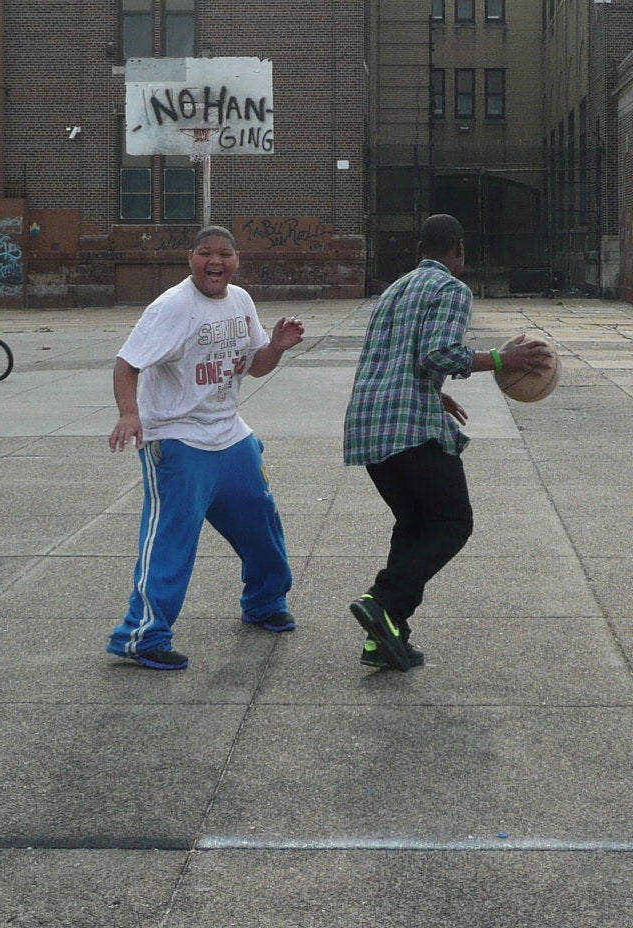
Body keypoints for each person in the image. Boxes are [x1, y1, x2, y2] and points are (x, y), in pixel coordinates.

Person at [342, 214, 551, 671]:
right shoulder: (452, 288)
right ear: (458, 249)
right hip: (408, 427)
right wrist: (502, 357)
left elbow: (392, 355)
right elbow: (436, 351)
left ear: (420, 249)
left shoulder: (394, 289)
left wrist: (436, 392)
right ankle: (381, 600)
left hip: (369, 423)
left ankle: (385, 639)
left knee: (415, 526)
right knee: (453, 522)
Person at [106, 226, 304, 670]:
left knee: (261, 521)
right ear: (189, 257)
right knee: (172, 539)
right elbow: (127, 363)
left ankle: (265, 602)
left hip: (229, 434)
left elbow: (254, 368)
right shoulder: (172, 307)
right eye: (205, 254)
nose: (215, 263)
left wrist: (275, 346)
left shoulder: (240, 301)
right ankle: (142, 635)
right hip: (178, 439)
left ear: (237, 259)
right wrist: (129, 414)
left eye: (224, 255)